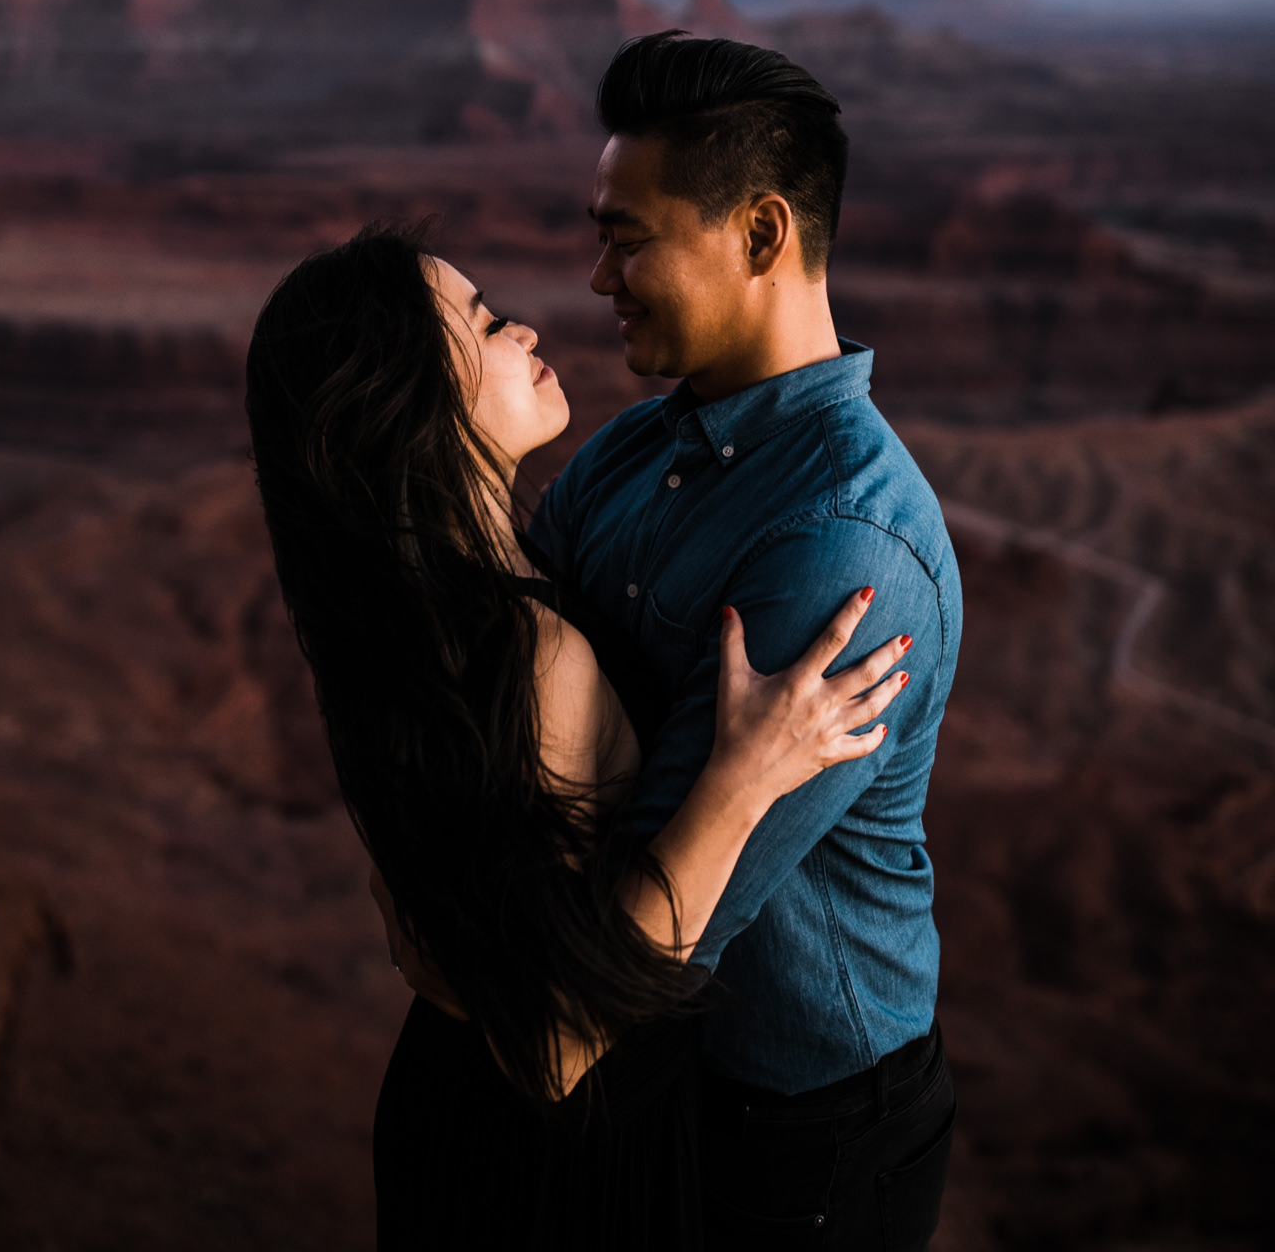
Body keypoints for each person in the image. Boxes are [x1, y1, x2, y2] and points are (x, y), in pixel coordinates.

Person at [244, 222, 912, 1250]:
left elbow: (418, 919)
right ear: (410, 397)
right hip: (558, 1162)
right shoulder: (525, 651)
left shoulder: (398, 621)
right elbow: (559, 1041)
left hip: (456, 1114)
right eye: (478, 320)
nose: (520, 324)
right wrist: (748, 773)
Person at [526, 30, 963, 1251]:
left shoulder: (843, 552)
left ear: (762, 233)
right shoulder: (636, 447)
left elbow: (636, 933)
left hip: (800, 1129)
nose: (599, 275)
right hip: (660, 1074)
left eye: (626, 235)